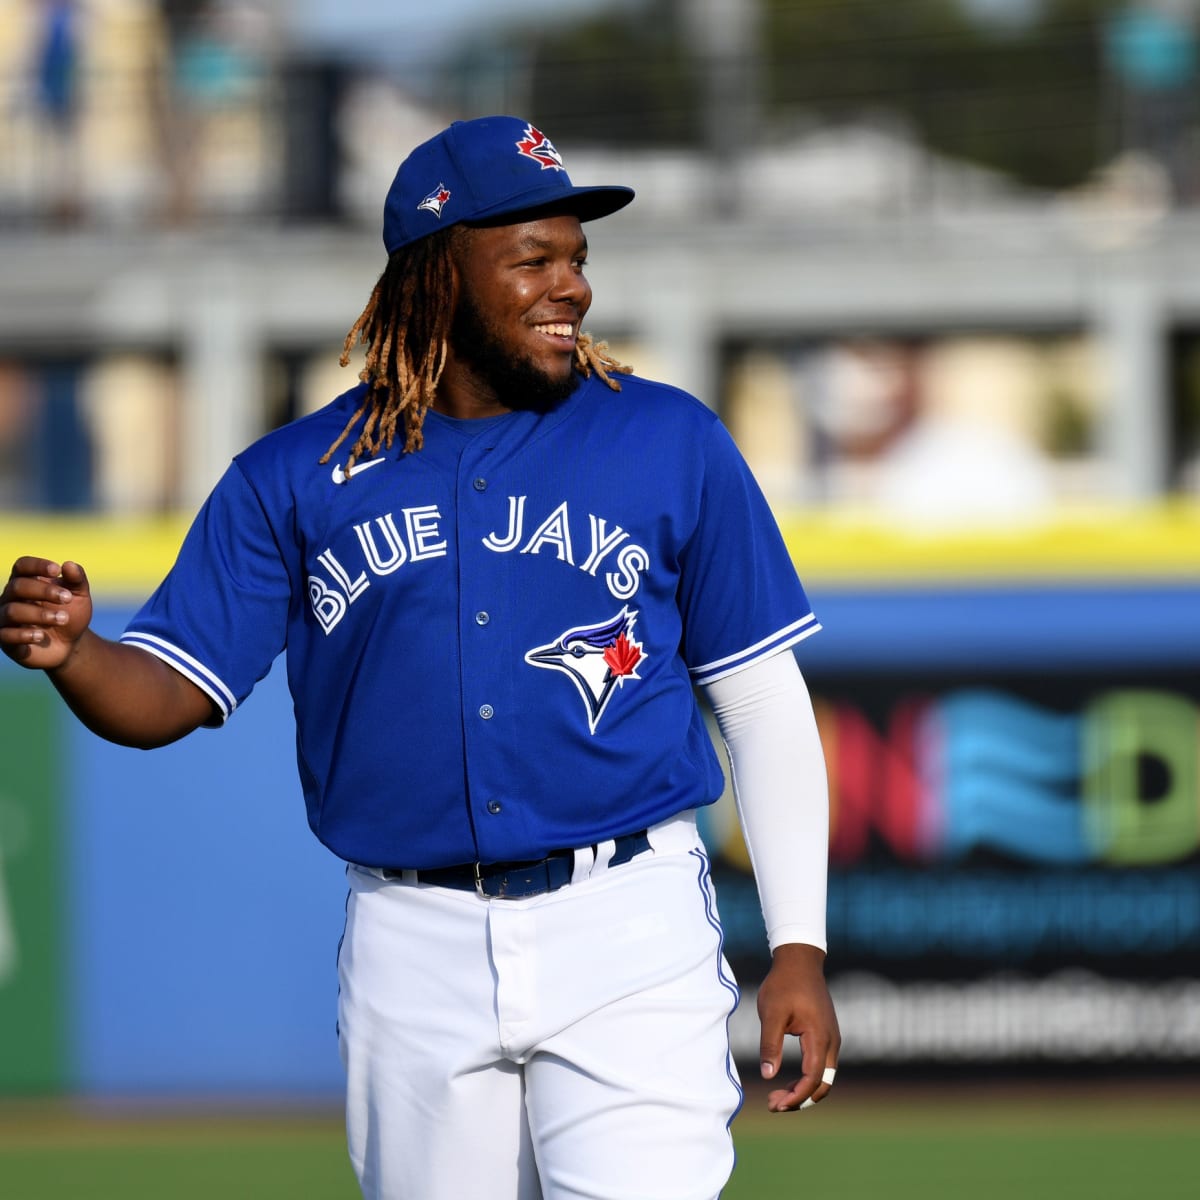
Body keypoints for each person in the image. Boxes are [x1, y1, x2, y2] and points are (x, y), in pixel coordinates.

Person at [0, 115, 839, 1200]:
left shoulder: (667, 440)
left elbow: (764, 703)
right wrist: (72, 653)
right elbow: (168, 689)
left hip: (627, 923)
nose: (571, 286)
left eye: (577, 257)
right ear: (438, 276)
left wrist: (802, 948)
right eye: (531, 258)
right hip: (412, 939)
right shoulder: (293, 475)